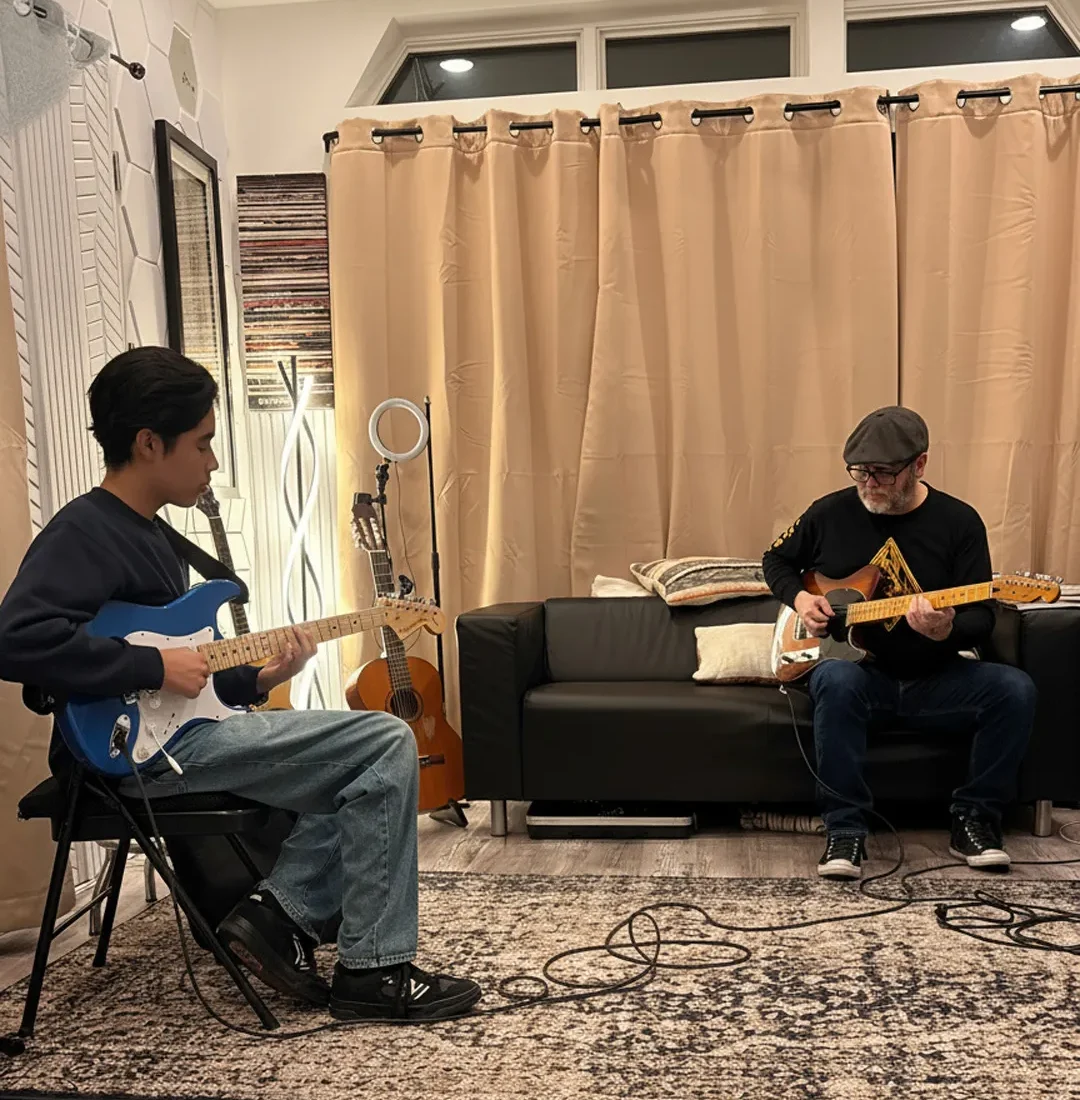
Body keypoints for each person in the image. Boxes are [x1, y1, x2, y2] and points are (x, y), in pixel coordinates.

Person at [0, 346, 481, 1021]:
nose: (214, 461)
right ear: (148, 443)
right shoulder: (82, 532)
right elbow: (17, 640)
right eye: (203, 443)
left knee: (370, 763)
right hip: (138, 759)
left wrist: (254, 678)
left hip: (183, 737)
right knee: (382, 741)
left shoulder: (153, 538)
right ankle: (358, 961)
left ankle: (283, 921)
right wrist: (151, 667)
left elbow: (187, 682)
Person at [762, 406, 1036, 880]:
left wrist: (947, 629)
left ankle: (975, 819)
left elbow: (983, 617)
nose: (869, 483)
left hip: (936, 678)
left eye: (883, 474)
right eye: (860, 472)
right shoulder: (830, 512)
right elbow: (775, 561)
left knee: (1015, 689)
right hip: (861, 678)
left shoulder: (959, 522)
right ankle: (845, 830)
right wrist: (802, 598)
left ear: (920, 465)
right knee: (837, 676)